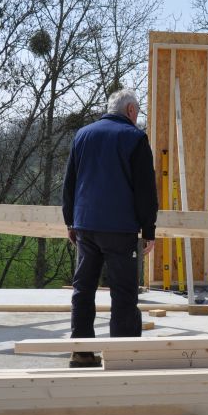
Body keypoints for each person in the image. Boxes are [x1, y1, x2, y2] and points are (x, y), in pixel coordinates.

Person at [62, 89, 158, 368]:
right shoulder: (134, 138)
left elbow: (70, 181)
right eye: (137, 113)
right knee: (124, 291)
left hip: (86, 226)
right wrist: (148, 230)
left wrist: (70, 220)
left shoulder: (83, 135)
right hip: (119, 228)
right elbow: (145, 190)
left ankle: (81, 351)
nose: (137, 119)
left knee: (83, 287)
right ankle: (123, 352)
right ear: (130, 110)